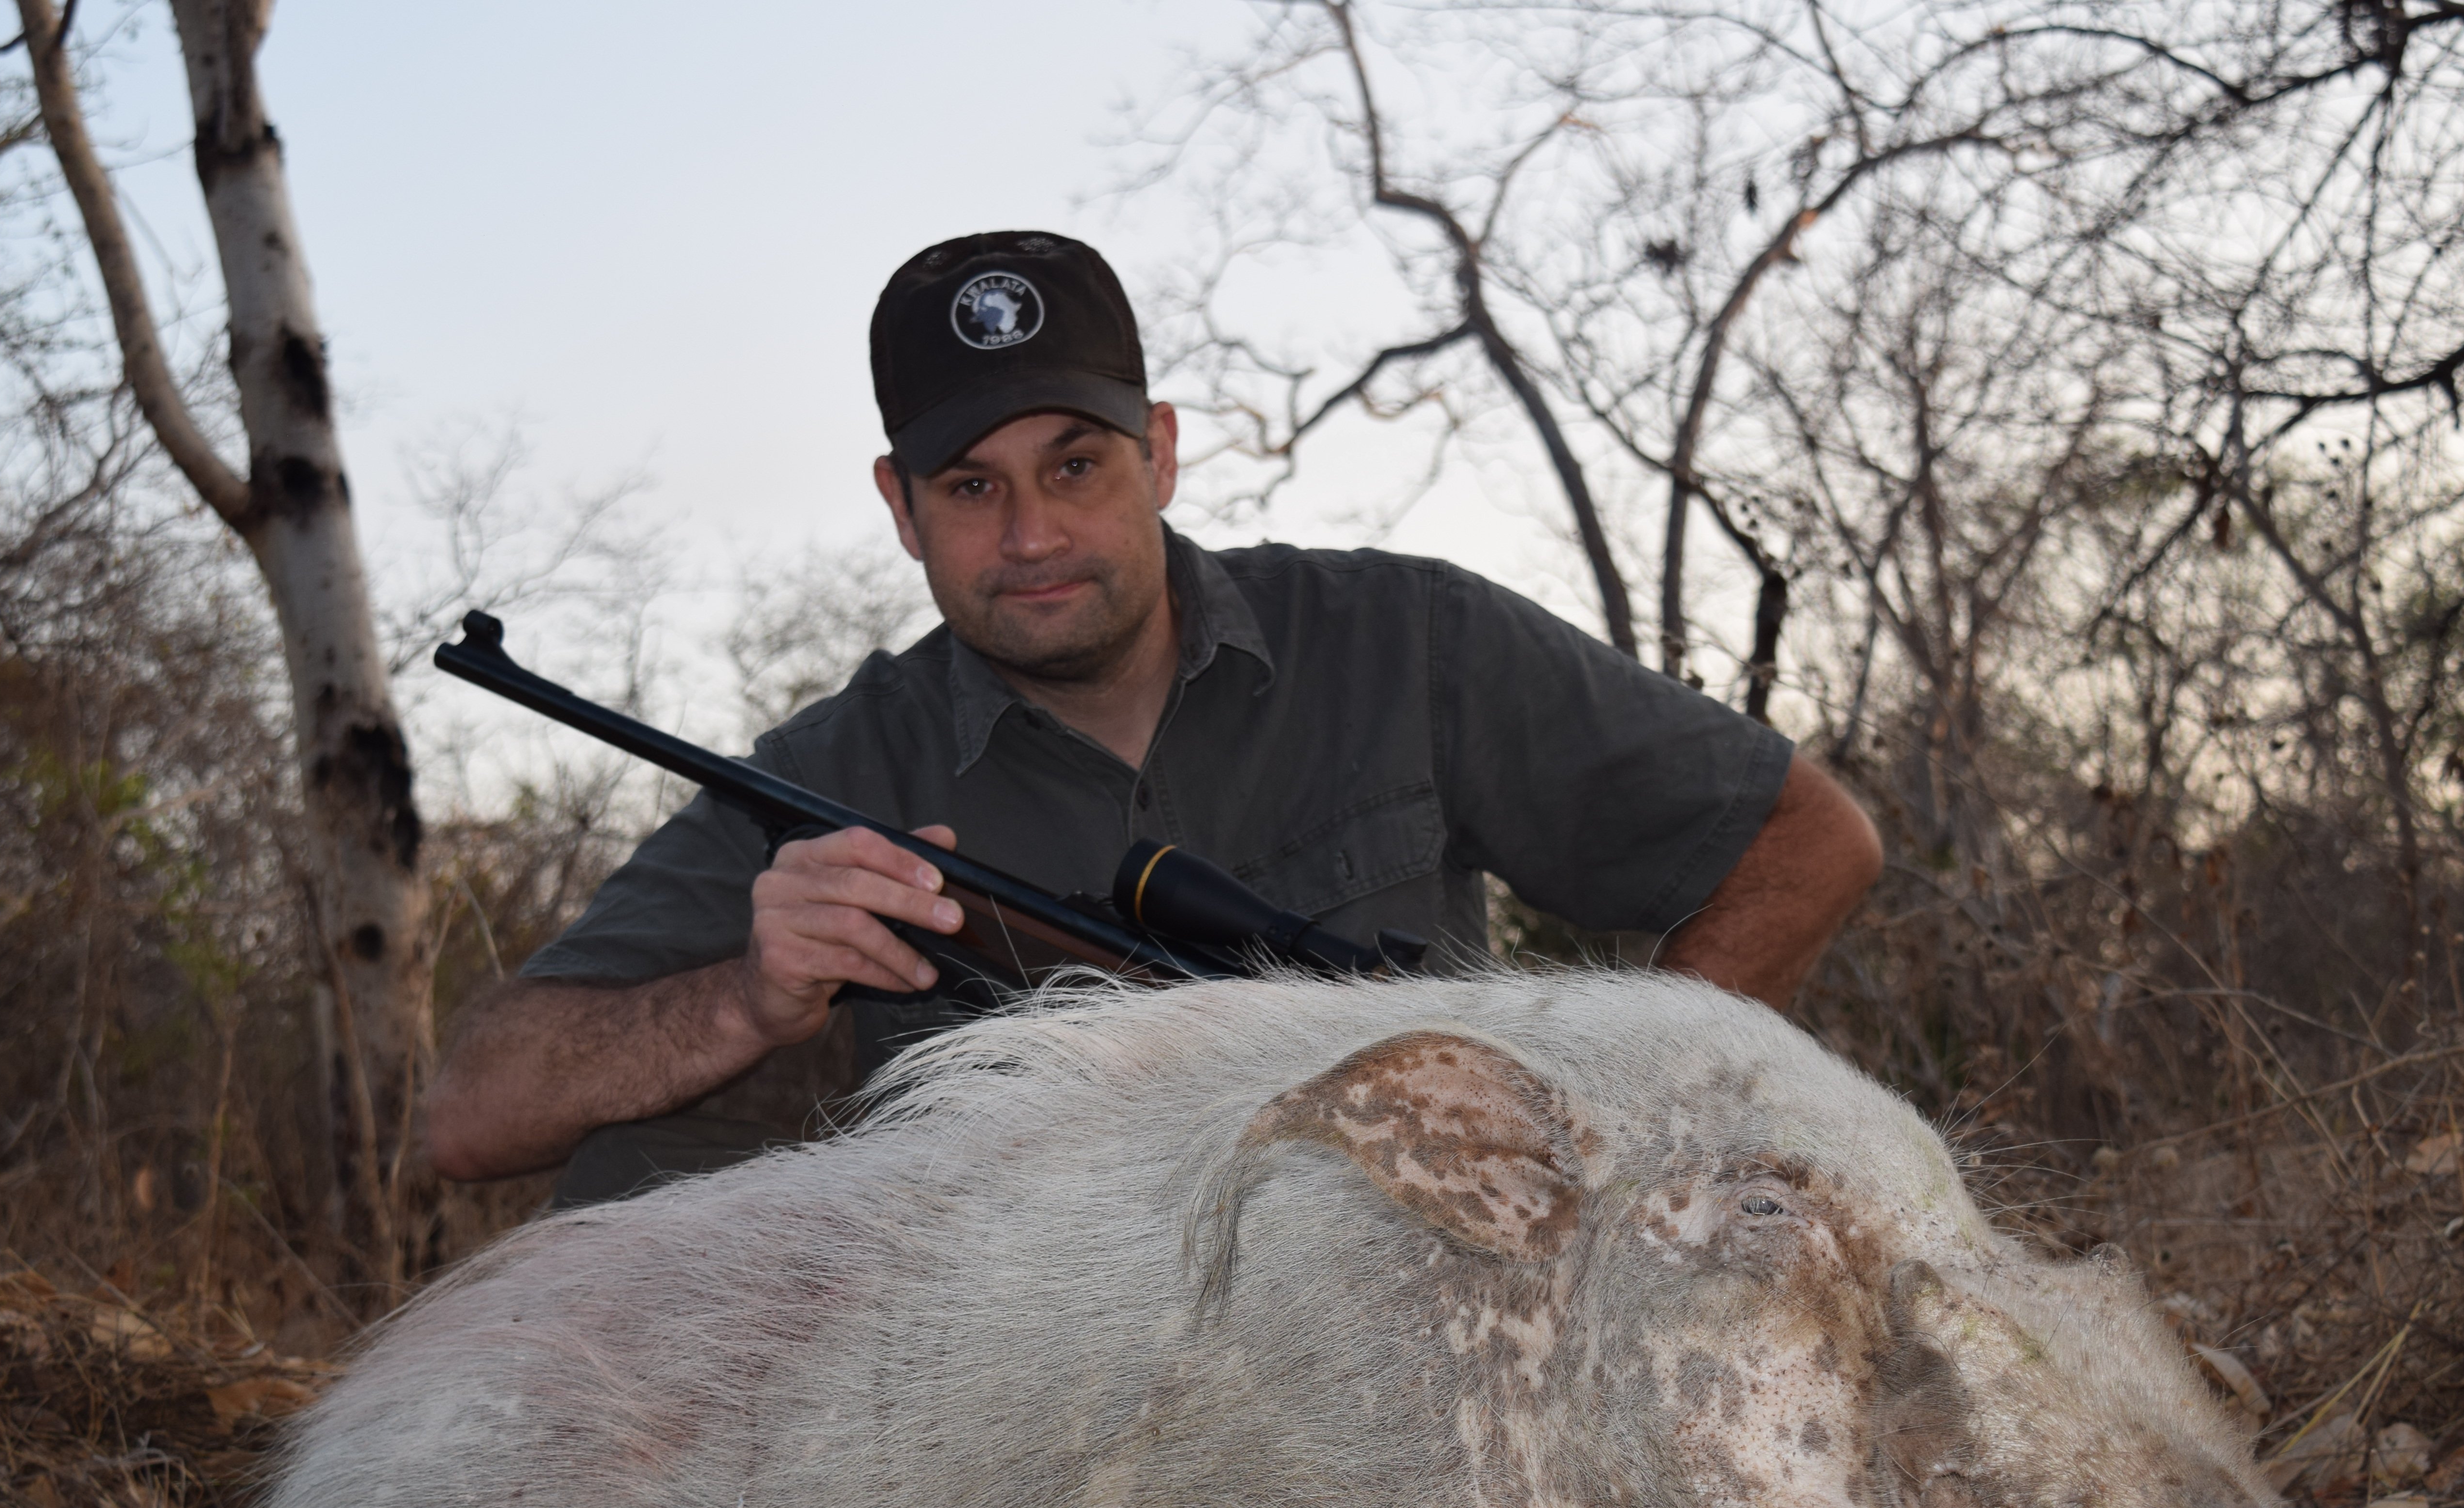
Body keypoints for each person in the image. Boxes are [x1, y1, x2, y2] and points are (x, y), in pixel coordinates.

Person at [426, 231, 1884, 1206]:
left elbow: (1808, 844)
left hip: (1415, 1284)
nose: (1034, 533)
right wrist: (747, 1000)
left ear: (1162, 453)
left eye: (1075, 466)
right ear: (901, 510)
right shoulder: (831, 771)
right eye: (972, 488)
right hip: (1033, 1354)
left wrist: (1612, 1159)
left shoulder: (1402, 635)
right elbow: (469, 1115)